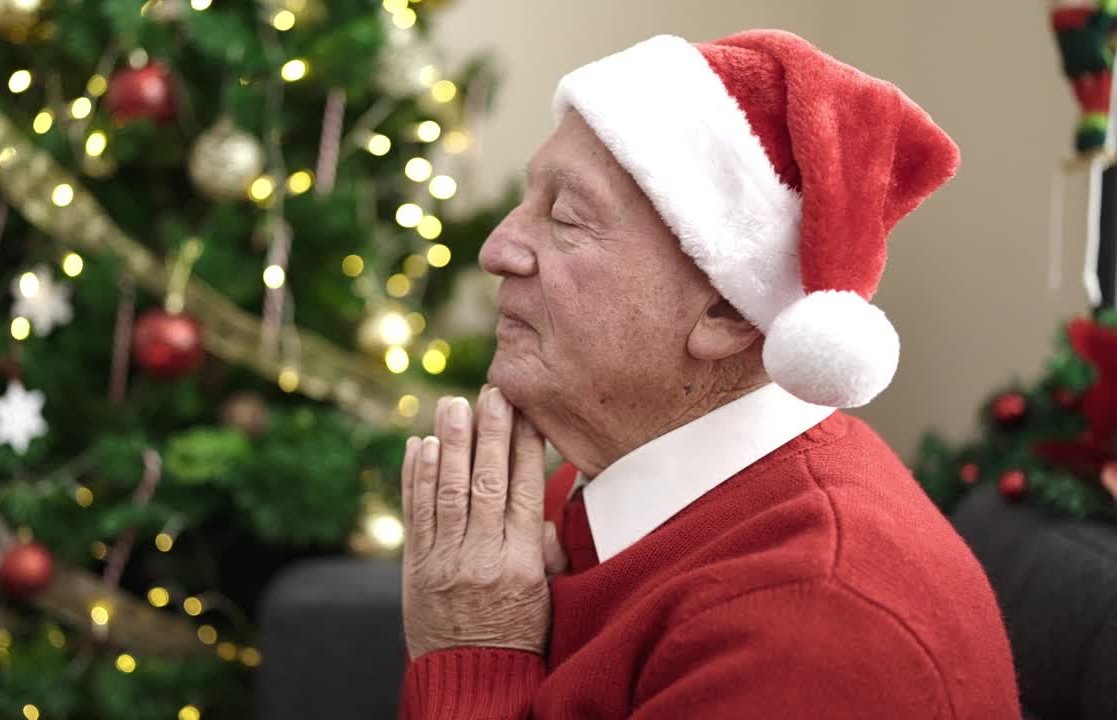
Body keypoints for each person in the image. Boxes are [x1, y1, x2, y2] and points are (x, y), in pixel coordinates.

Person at [398, 30, 1020, 719]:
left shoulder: (815, 630)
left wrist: (474, 654)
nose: (498, 249)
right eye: (526, 201)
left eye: (566, 218)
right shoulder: (598, 474)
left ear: (726, 312)